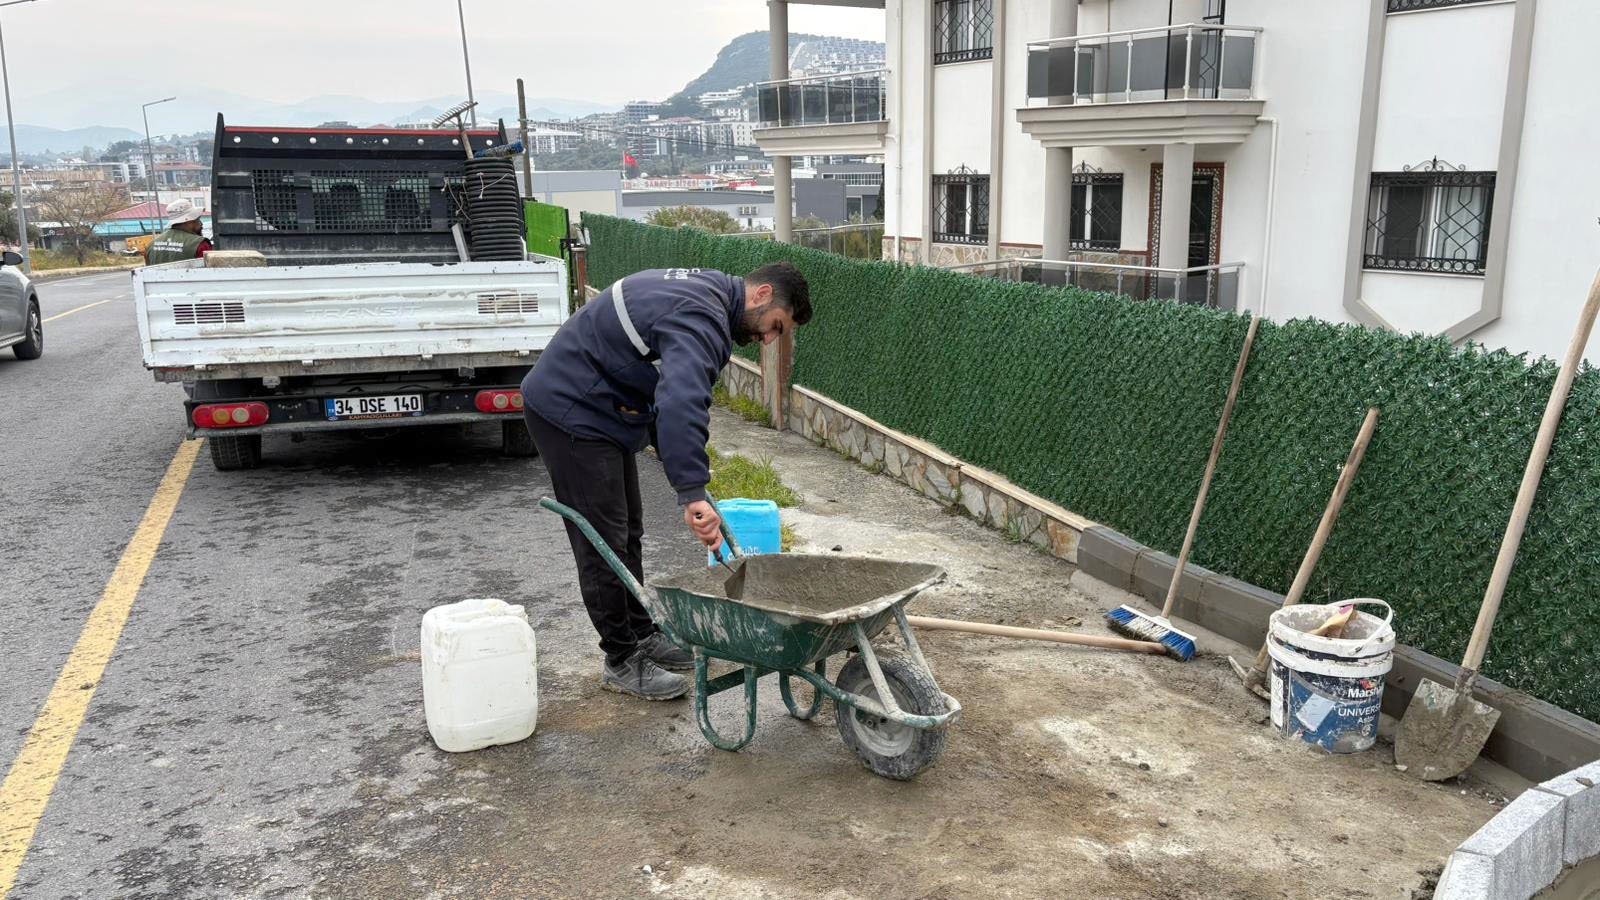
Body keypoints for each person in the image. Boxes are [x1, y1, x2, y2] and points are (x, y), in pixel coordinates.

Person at [523, 263, 812, 700]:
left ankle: (642, 632)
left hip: (603, 407)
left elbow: (662, 391)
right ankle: (620, 659)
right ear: (762, 294)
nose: (769, 340)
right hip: (571, 410)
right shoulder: (702, 317)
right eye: (776, 326)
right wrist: (692, 493)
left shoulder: (709, 295)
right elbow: (681, 402)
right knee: (603, 542)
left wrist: (686, 475)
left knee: (627, 531)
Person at [143, 199, 212, 264]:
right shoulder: (200, 245)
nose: (201, 224)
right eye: (198, 220)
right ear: (189, 221)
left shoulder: (151, 245)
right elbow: (210, 270)